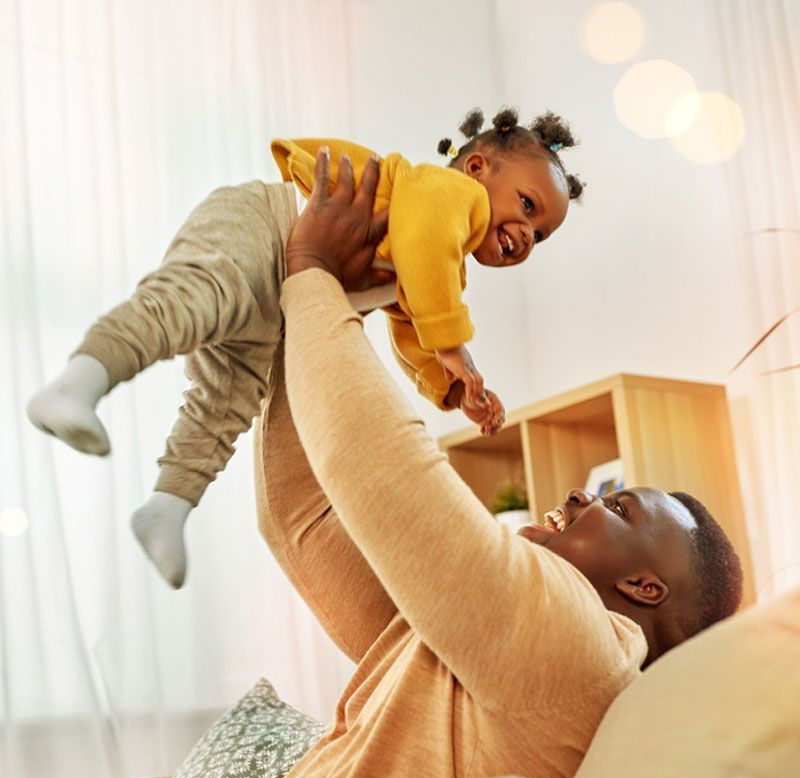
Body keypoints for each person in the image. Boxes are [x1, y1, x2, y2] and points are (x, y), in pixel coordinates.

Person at [254, 149, 744, 778]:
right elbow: (301, 518)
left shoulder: (581, 646)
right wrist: (335, 297)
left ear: (644, 590)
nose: (580, 494)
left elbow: (375, 469)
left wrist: (313, 274)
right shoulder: (486, 648)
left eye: (619, 506)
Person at [26, 106, 582, 588]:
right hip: (267, 224)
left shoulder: (442, 272)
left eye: (543, 234)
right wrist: (456, 346)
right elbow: (427, 252)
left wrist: (453, 385)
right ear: (477, 169)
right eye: (529, 207)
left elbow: (413, 334)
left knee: (229, 398)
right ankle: (78, 384)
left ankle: (169, 503)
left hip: (286, 290)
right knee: (192, 302)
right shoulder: (446, 196)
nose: (528, 235)